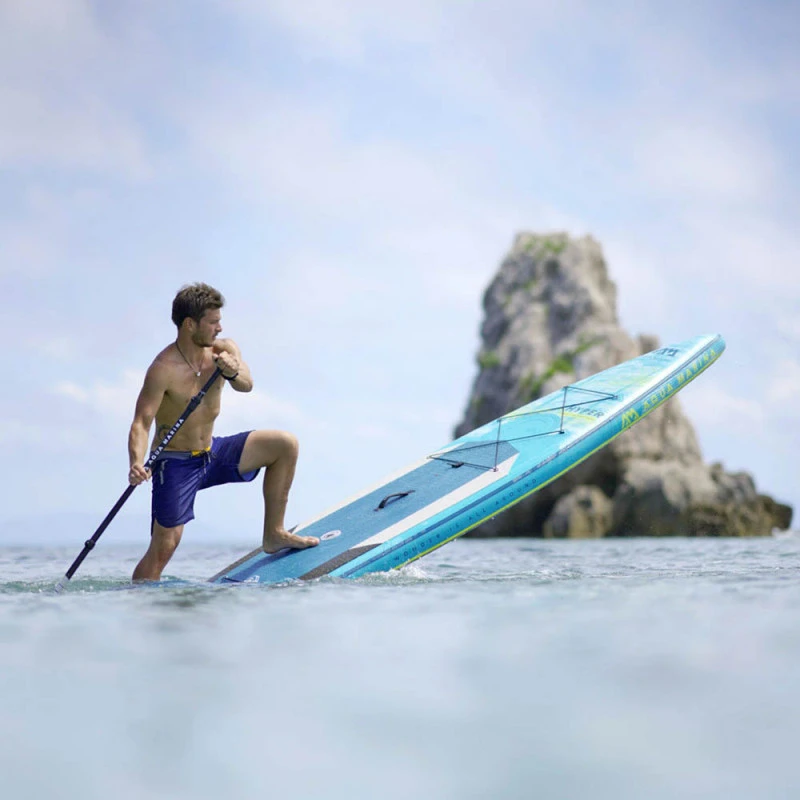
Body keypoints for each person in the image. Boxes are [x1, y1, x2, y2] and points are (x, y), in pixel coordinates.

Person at [127, 282, 318, 581]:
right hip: (174, 463)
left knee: (284, 444)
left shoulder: (224, 349)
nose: (219, 327)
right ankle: (138, 597)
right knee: (164, 547)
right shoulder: (163, 369)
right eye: (212, 322)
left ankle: (274, 534)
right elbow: (141, 422)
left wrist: (232, 371)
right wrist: (136, 463)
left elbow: (246, 384)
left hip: (212, 453)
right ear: (190, 325)